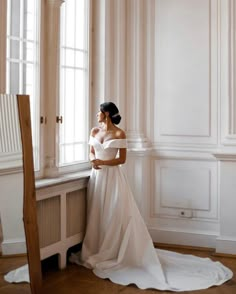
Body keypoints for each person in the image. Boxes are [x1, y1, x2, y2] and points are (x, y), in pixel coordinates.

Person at [70, 102, 233, 291]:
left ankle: (112, 249)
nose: (97, 114)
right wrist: (93, 161)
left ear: (106, 113)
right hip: (97, 177)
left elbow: (122, 159)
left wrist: (103, 162)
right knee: (97, 212)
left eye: (99, 111)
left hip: (113, 178)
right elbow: (91, 151)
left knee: (113, 213)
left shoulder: (119, 134)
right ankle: (97, 248)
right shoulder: (94, 131)